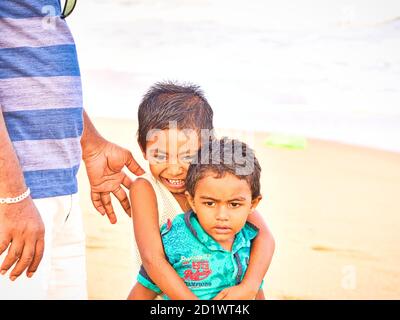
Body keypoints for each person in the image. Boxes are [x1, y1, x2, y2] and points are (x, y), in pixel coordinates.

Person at [0, 1, 143, 299]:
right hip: (16, 199)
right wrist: (12, 197)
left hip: (56, 192)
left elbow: (33, 66)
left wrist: (90, 144)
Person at [127, 82, 275, 300]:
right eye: (160, 156)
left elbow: (265, 238)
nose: (175, 169)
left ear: (207, 148)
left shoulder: (216, 185)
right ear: (143, 149)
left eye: (187, 156)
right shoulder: (145, 189)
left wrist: (250, 286)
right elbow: (152, 259)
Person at [130, 138, 266, 299]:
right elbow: (142, 292)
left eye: (234, 204)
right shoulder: (175, 242)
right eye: (210, 203)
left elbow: (256, 292)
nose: (222, 216)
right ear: (192, 201)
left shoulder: (248, 242)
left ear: (253, 204)